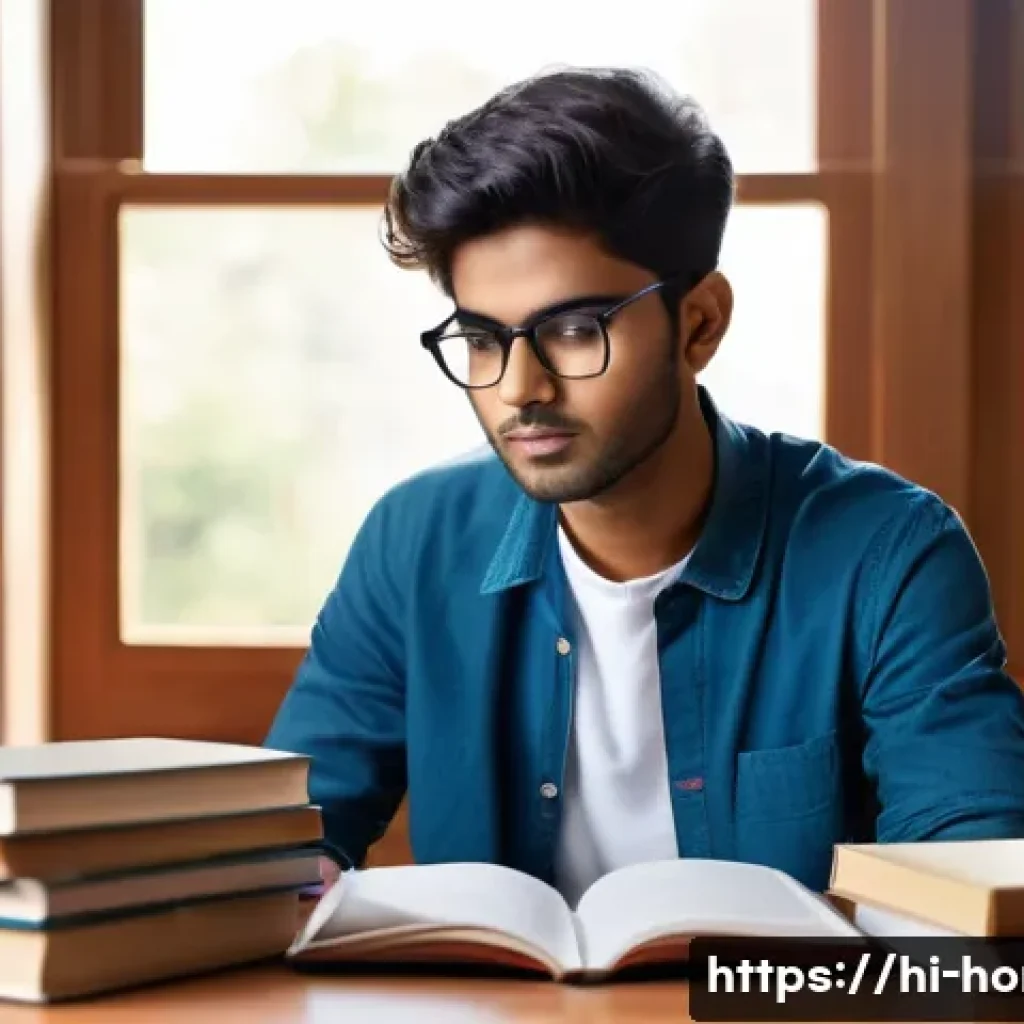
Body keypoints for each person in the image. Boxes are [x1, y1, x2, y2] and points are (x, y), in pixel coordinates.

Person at [266, 66, 1024, 904]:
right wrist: (293, 883)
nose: (519, 388)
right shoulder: (414, 541)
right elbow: (291, 833)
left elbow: (976, 872)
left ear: (698, 324)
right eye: (482, 339)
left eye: (573, 329)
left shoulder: (888, 554)